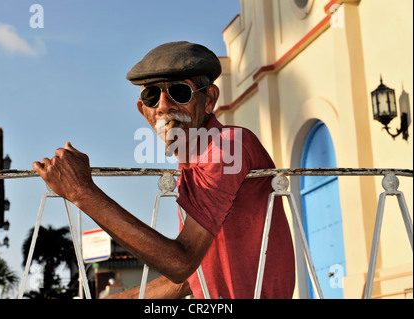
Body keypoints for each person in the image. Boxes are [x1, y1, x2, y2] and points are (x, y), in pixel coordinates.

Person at [33, 41, 295, 299]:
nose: (163, 106)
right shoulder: (195, 162)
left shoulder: (226, 148)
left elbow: (181, 263)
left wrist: (81, 191)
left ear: (209, 100)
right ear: (143, 110)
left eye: (180, 92)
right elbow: (195, 276)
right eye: (152, 96)